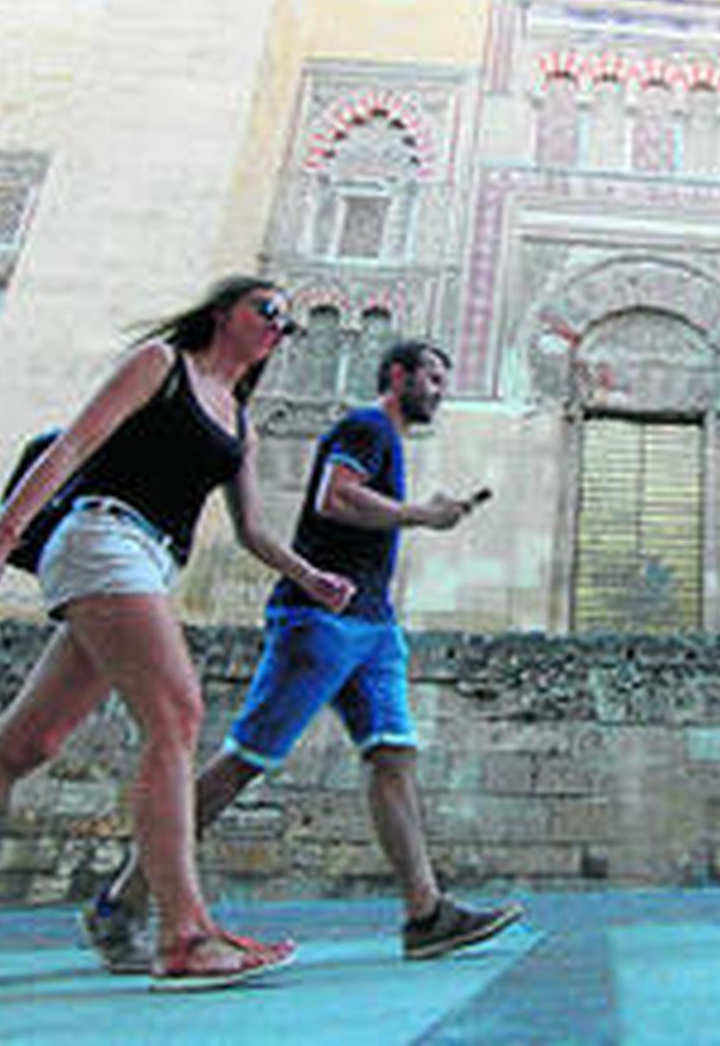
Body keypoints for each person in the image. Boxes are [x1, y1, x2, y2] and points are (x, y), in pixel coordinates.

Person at [0, 276, 354, 999]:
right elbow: (69, 449)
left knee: (19, 751)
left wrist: (308, 574)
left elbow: (250, 528)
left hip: (150, 562)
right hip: (103, 536)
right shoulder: (161, 366)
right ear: (224, 312)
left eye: (287, 323)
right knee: (178, 716)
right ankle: (185, 934)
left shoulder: (239, 420)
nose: (279, 328)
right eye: (268, 310)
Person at [83, 339, 522, 971]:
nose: (438, 390)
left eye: (443, 380)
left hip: (372, 623)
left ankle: (425, 913)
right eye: (430, 377)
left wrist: (422, 516)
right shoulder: (365, 426)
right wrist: (421, 515)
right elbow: (334, 498)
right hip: (318, 620)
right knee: (244, 762)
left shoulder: (387, 438)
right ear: (396, 375)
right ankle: (120, 903)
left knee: (393, 754)